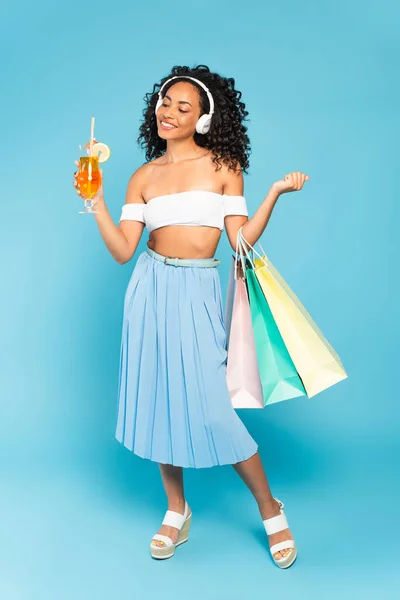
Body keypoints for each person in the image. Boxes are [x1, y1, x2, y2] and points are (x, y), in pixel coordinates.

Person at [73, 64, 310, 568]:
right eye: (164, 103)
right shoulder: (142, 177)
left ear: (203, 118)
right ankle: (177, 510)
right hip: (149, 288)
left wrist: (272, 195)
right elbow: (122, 251)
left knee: (210, 406)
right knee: (160, 397)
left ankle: (271, 510)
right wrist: (96, 203)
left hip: (198, 286)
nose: (169, 112)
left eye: (184, 106)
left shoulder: (224, 165)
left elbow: (239, 242)